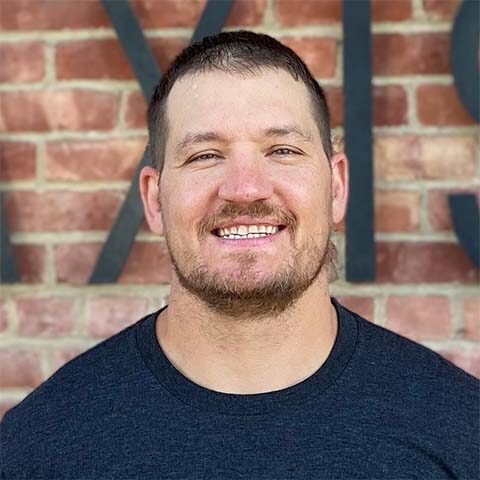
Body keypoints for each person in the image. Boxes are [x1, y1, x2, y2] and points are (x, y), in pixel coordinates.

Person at [1, 31, 478, 480]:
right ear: (154, 199)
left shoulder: (460, 429)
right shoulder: (38, 446)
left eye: (283, 150)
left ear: (335, 187)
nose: (246, 188)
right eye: (205, 155)